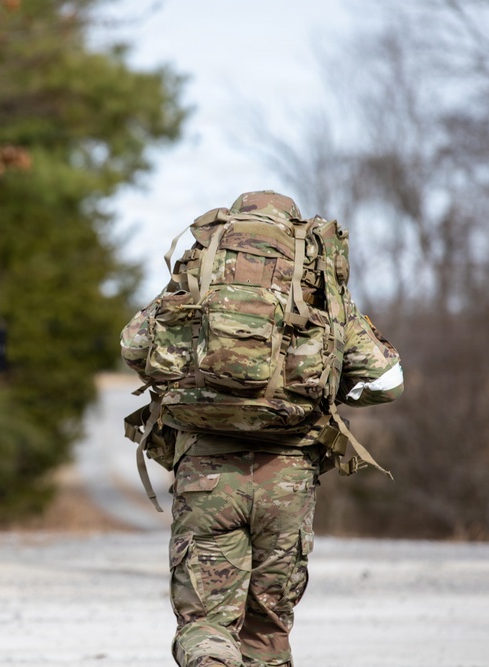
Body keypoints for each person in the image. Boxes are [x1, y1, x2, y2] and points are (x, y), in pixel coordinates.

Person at [136, 192, 404, 667]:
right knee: (267, 633)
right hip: (288, 478)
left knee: (207, 624)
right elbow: (388, 380)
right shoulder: (318, 288)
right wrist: (328, 392)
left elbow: (134, 347)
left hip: (207, 475)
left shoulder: (199, 281)